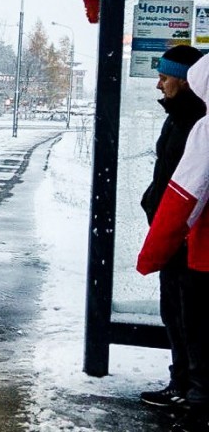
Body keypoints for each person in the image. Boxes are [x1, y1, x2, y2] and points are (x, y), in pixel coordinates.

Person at [138, 52, 209, 432]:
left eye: (165, 76)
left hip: (188, 239)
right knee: (176, 314)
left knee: (189, 319)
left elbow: (187, 188)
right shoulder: (181, 119)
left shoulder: (197, 124)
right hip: (178, 238)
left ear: (185, 79)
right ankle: (182, 384)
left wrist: (168, 226)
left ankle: (195, 396)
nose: (159, 83)